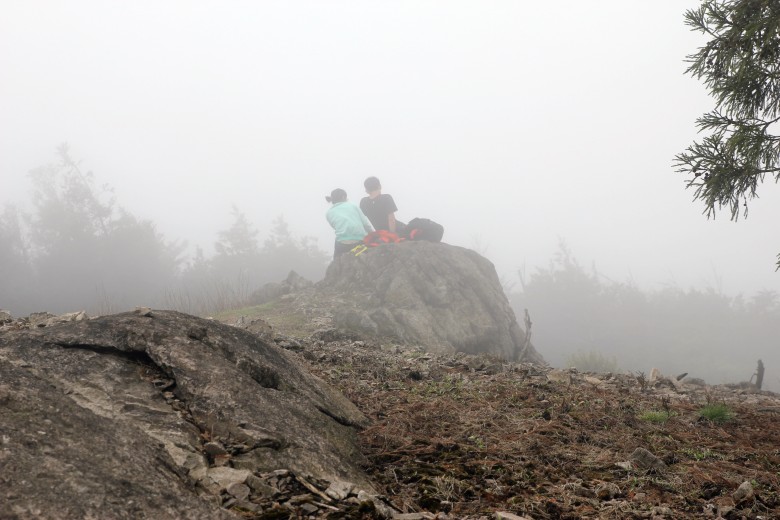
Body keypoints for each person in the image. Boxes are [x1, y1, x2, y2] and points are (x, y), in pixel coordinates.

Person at [325, 188, 373, 259]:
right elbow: (365, 224)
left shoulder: (328, 213)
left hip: (343, 246)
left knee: (338, 246)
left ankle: (337, 261)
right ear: (343, 197)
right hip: (360, 242)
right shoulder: (353, 206)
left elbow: (335, 227)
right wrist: (373, 234)